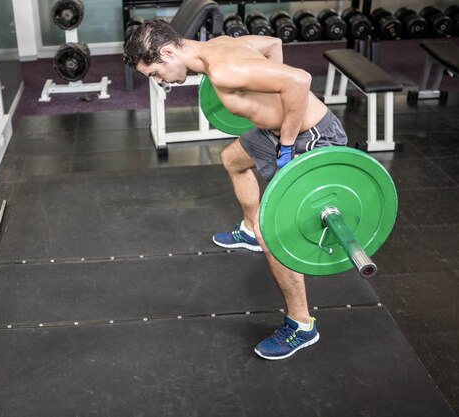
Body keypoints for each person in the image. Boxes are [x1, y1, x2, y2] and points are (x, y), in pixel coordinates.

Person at [123, 19, 348, 360]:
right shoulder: (221, 43)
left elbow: (299, 80)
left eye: (155, 74)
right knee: (233, 159)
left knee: (277, 235)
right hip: (275, 131)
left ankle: (302, 325)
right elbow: (273, 44)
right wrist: (269, 94)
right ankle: (250, 230)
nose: (159, 82)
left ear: (167, 53)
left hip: (311, 136)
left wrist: (286, 144)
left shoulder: (225, 69)